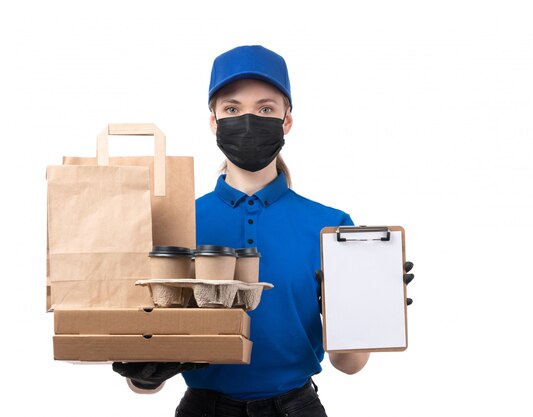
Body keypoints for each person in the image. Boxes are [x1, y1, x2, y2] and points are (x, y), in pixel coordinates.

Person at [113, 45, 414, 417]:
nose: (249, 119)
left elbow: (348, 364)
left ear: (286, 121)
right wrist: (143, 375)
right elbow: (146, 378)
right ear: (214, 122)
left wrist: (370, 307)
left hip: (296, 407)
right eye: (233, 109)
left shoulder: (330, 225)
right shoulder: (176, 220)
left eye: (266, 109)